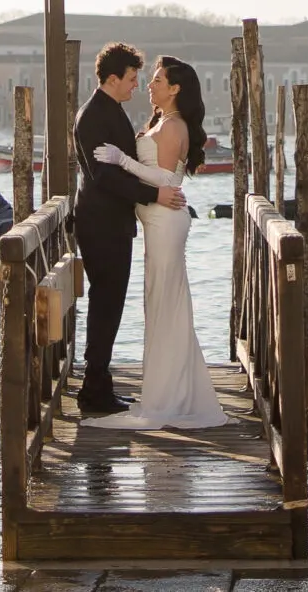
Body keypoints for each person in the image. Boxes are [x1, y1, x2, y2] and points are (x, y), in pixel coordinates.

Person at [82, 55, 224, 431]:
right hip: (149, 220)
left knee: (165, 302)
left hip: (164, 221)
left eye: (156, 79)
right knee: (157, 302)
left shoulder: (173, 125)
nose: (147, 84)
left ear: (175, 89)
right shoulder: (156, 121)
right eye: (140, 78)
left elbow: (163, 177)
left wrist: (122, 161)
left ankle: (170, 395)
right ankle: (161, 389)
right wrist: (123, 163)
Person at [72, 42, 184, 414]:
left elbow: (122, 167)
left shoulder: (111, 112)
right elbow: (103, 177)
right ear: (113, 78)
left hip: (112, 223)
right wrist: (154, 194)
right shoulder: (92, 117)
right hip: (100, 223)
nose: (136, 86)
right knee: (106, 303)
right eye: (133, 79)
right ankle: (94, 389)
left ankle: (98, 384)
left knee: (111, 303)